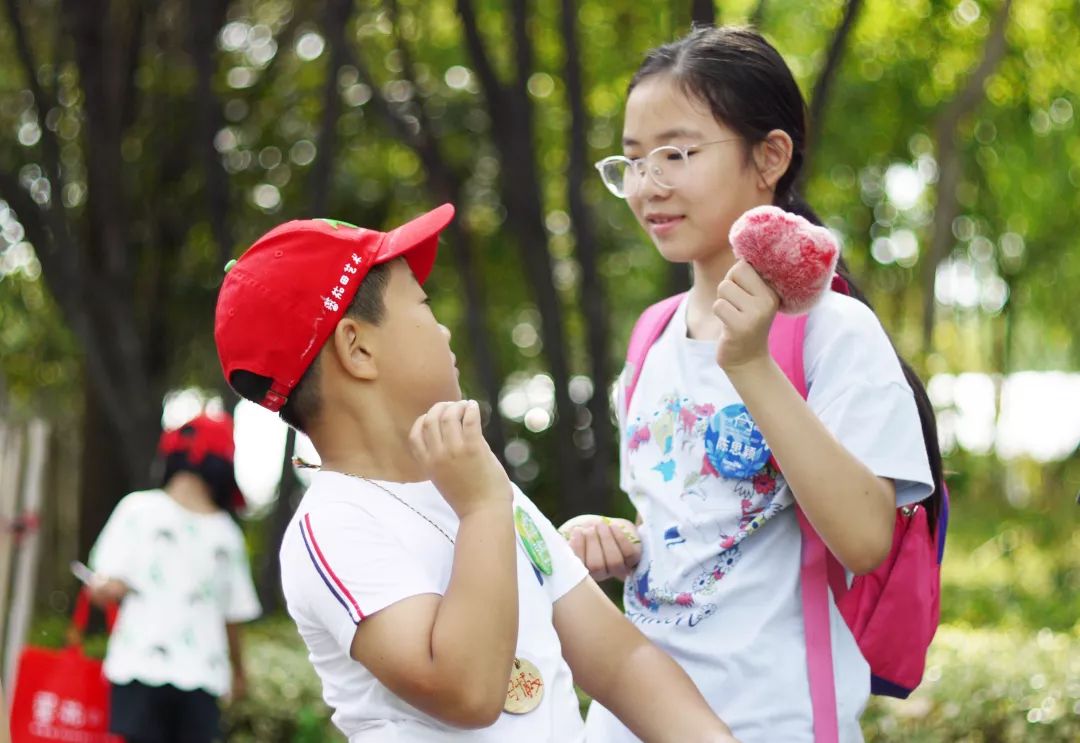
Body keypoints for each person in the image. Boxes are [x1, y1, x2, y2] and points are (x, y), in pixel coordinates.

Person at [213, 206, 740, 742]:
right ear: (358, 347)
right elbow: (465, 689)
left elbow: (620, 660)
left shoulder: (480, 486)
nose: (441, 326)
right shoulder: (333, 525)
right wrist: (483, 509)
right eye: (421, 304)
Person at [561, 25, 944, 743]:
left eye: (677, 153)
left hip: (771, 724)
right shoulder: (651, 335)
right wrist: (614, 538)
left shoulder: (835, 331)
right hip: (627, 724)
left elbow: (865, 538)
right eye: (635, 161)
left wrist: (751, 364)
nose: (650, 185)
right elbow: (696, 526)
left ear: (769, 156)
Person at [86, 411, 261, 743]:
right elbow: (233, 616)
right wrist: (239, 673)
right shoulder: (227, 533)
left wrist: (107, 588)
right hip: (203, 675)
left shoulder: (137, 510)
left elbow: (102, 586)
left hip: (139, 667)